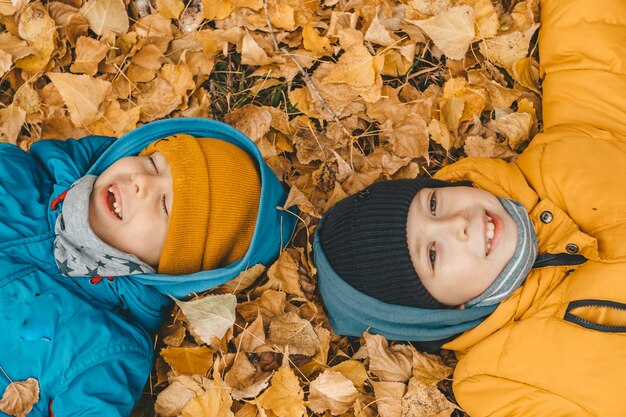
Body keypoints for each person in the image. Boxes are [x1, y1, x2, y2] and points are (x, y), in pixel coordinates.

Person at [313, 0, 626, 415]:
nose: (458, 224)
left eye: (435, 204)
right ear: (439, 312)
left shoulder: (554, 160)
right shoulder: (500, 378)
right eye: (433, 254)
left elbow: (589, 57)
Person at [0, 118, 295, 416]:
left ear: (169, 268)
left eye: (165, 206)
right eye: (153, 163)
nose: (141, 182)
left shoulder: (106, 351)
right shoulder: (17, 175)